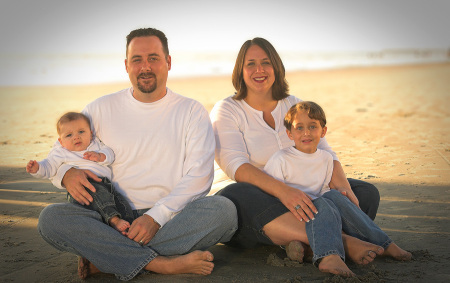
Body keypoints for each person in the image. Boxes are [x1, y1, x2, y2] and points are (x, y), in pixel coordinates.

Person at [37, 28, 237, 281]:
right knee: (51, 219)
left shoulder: (191, 111)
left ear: (168, 62)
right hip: (110, 217)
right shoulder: (99, 109)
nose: (145, 67)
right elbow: (63, 151)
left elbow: (199, 176)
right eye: (137, 60)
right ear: (126, 65)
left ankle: (110, 257)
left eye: (153, 58)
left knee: (223, 210)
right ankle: (161, 263)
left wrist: (156, 217)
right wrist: (66, 174)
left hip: (170, 217)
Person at [210, 37, 380, 264]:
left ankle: (304, 244)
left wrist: (345, 190)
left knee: (365, 193)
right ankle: (343, 242)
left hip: (303, 194)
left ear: (277, 67)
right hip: (258, 203)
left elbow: (326, 152)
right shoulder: (227, 109)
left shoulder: (294, 105)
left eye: (266, 62)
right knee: (236, 193)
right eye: (250, 63)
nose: (259, 69)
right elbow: (236, 167)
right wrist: (284, 192)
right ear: (240, 70)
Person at [263, 101, 411, 276]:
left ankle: (384, 243)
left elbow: (324, 190)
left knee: (335, 196)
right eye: (299, 128)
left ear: (323, 131)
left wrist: (341, 200)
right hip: (295, 213)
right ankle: (328, 256)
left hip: (321, 211)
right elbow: (271, 195)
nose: (306, 133)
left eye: (312, 127)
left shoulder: (326, 158)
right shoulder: (281, 159)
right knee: (324, 204)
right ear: (289, 133)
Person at [26, 112, 134, 234]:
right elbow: (49, 167)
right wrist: (38, 168)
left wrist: (100, 156)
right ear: (61, 142)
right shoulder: (61, 152)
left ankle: (127, 228)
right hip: (84, 187)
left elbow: (109, 154)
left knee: (121, 203)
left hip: (107, 185)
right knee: (98, 194)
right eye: (69, 135)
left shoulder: (95, 144)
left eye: (81, 132)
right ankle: (114, 220)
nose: (76, 137)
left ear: (91, 133)